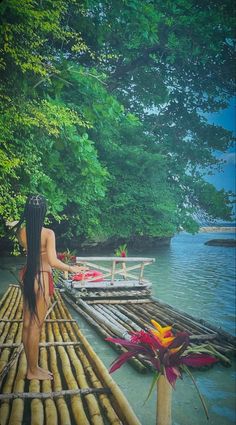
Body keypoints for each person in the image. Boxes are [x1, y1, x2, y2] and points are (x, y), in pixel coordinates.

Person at [15, 194, 87, 380]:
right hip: (42, 278)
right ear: (43, 211)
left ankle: (31, 366)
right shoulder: (48, 233)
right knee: (36, 326)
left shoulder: (21, 231)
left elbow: (32, 252)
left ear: (27, 211)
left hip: (27, 276)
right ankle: (33, 370)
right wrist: (72, 268)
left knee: (26, 324)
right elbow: (53, 261)